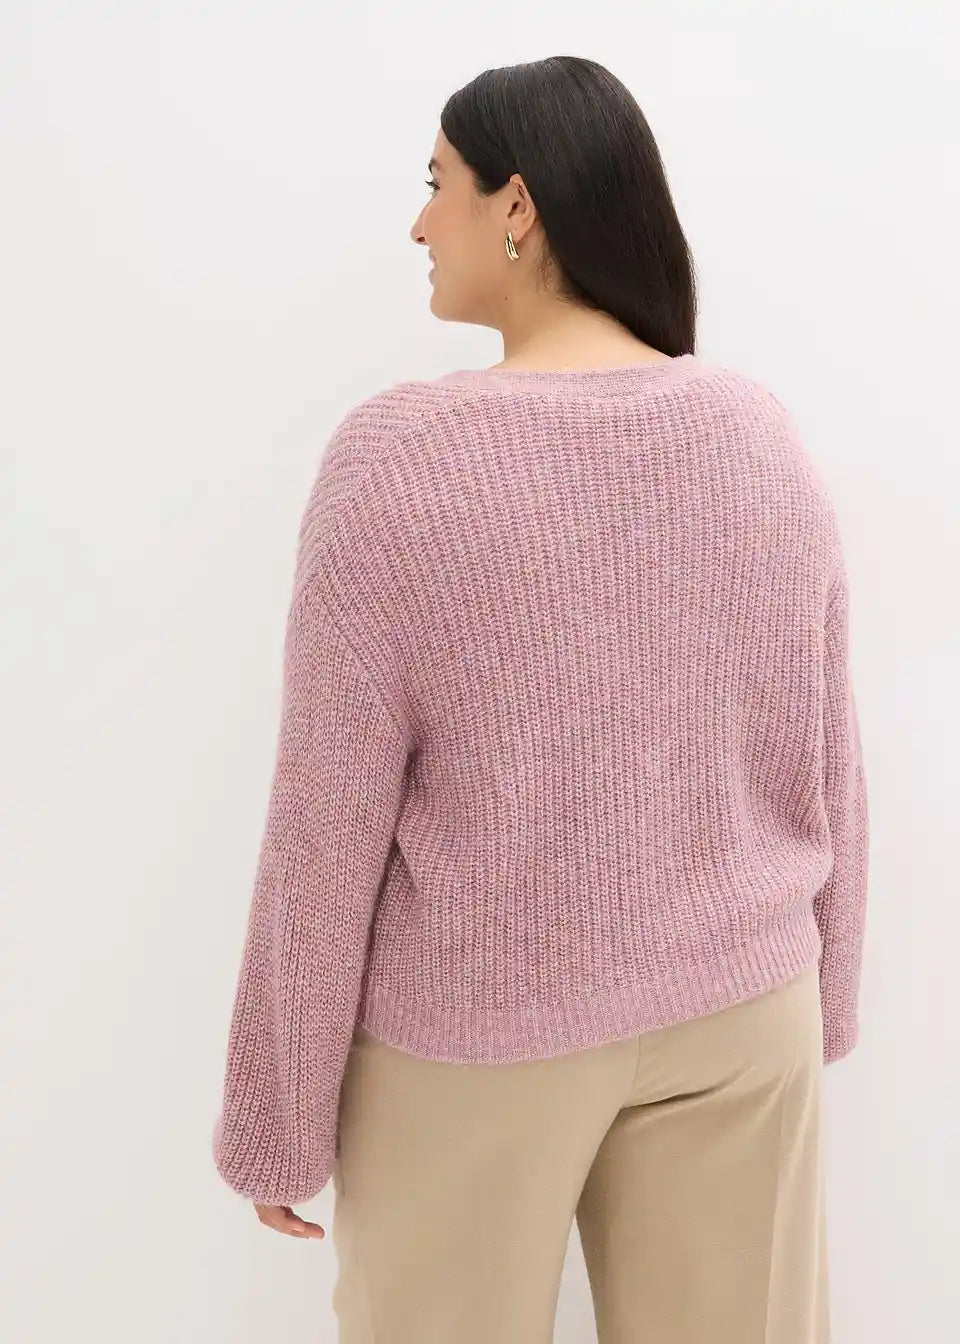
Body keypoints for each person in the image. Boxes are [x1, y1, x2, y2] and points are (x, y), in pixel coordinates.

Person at [211, 55, 868, 1344]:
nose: (419, 224)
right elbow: (823, 753)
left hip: (482, 1030)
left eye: (436, 185)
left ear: (517, 206)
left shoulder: (399, 460)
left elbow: (326, 820)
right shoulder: (758, 433)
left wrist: (277, 1119)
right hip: (743, 1014)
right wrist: (827, 993)